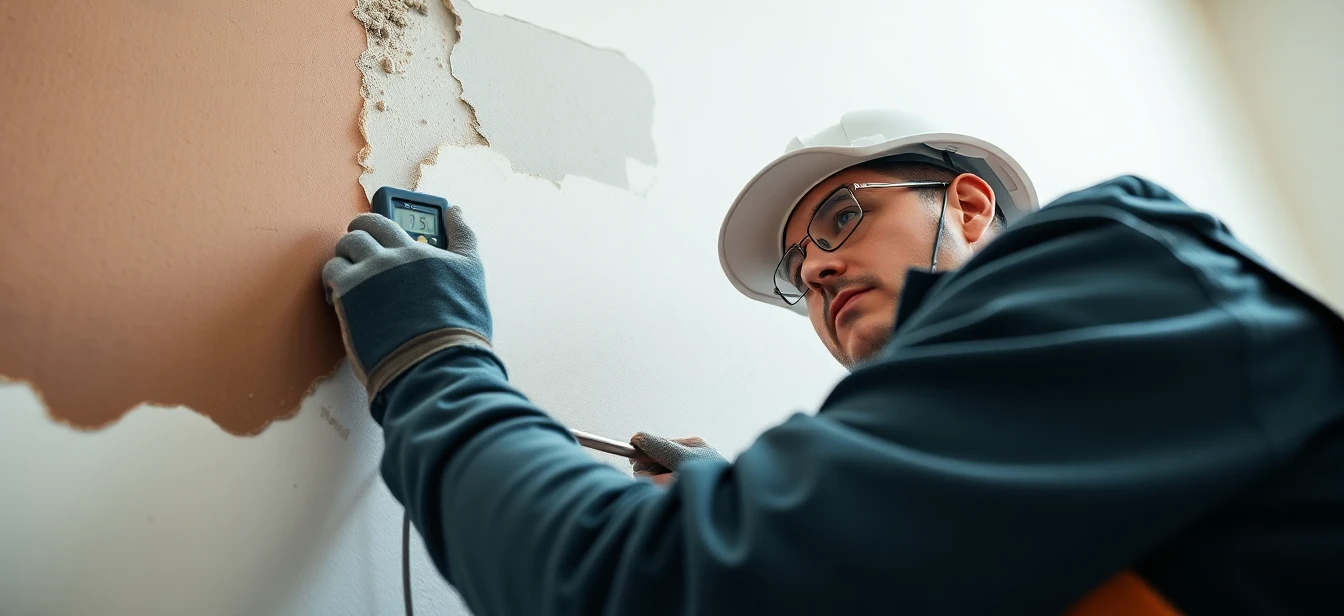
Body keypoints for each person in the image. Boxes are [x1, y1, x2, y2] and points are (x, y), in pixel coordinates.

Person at [322, 110, 1344, 615]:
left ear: (971, 204)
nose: (812, 265)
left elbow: (638, 584)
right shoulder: (1019, 465)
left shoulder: (1107, 264)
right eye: (793, 268)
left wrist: (435, 362)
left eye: (844, 215)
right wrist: (750, 507)